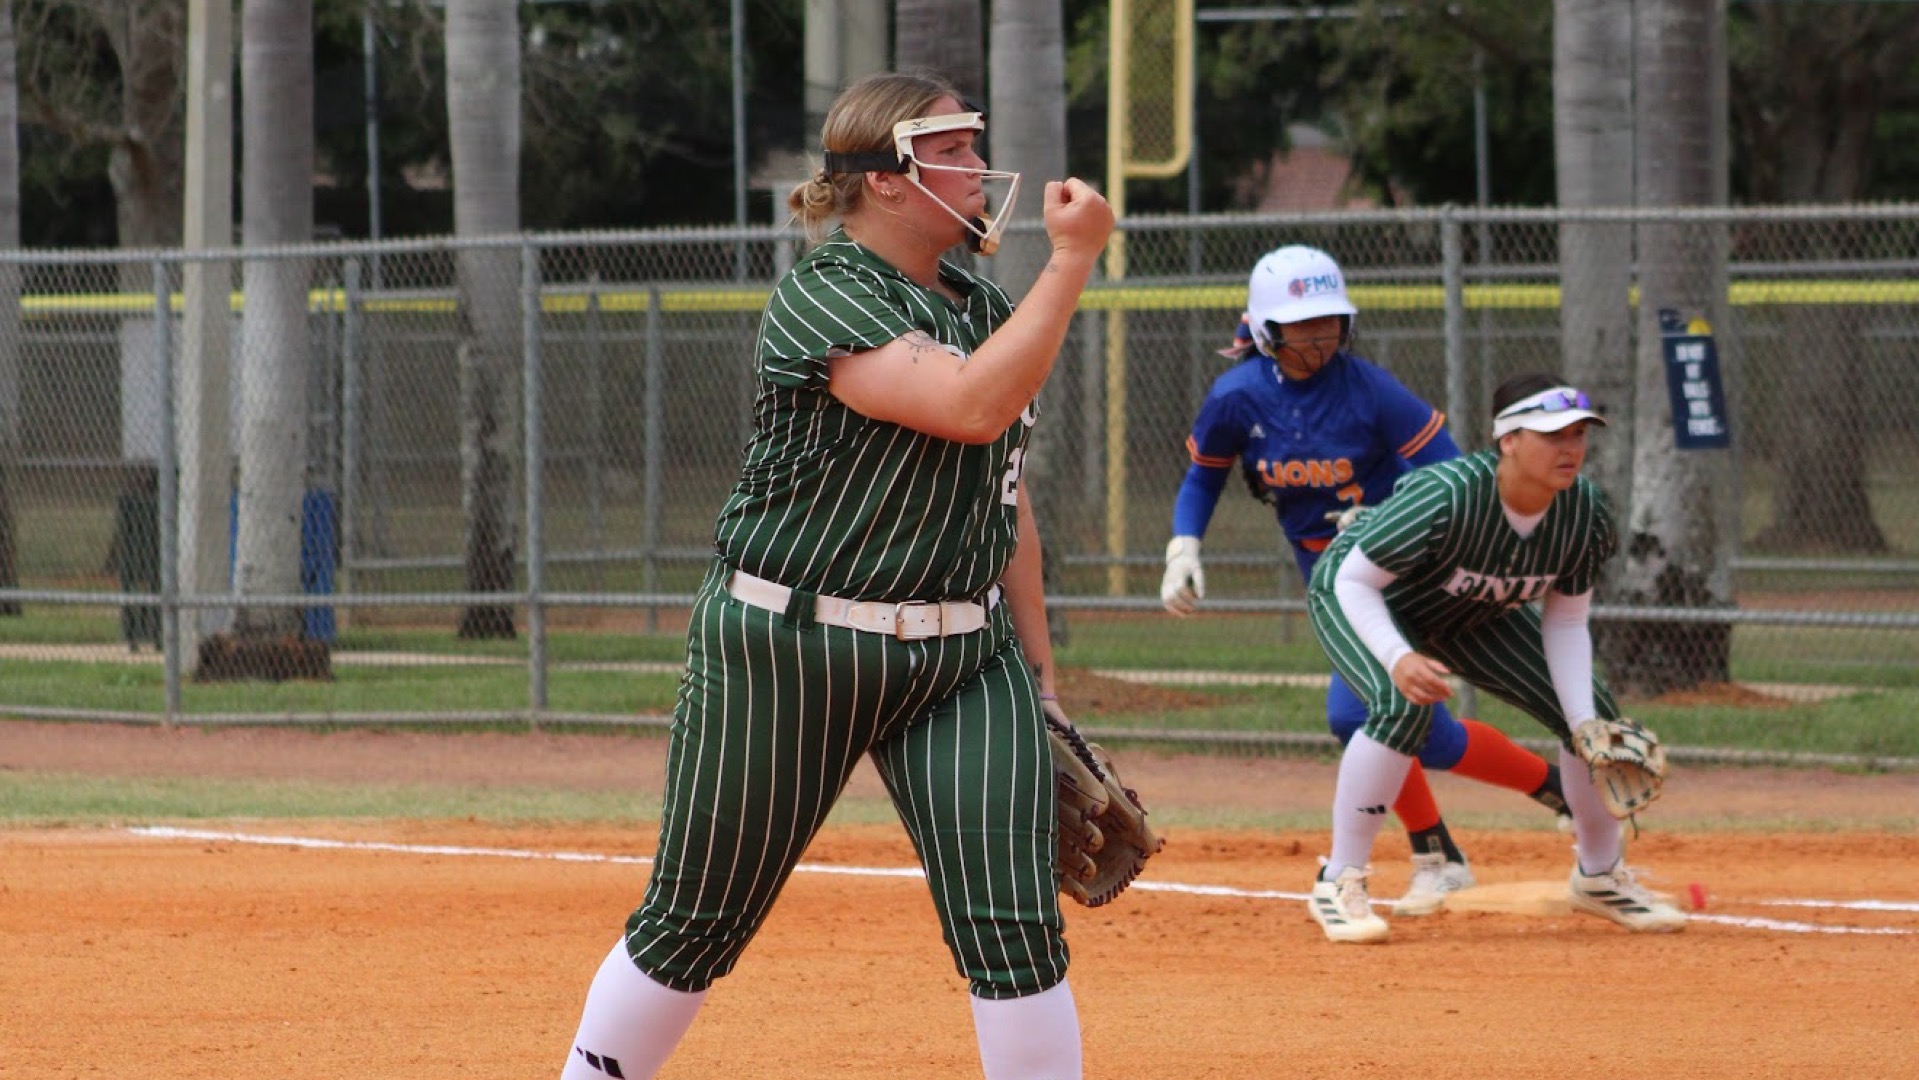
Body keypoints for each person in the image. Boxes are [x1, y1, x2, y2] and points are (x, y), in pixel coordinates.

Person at [555, 73, 1114, 1080]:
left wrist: (1037, 675)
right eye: (951, 147)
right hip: (789, 649)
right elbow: (970, 406)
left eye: (972, 143)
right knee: (694, 920)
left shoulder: (981, 303)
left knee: (1015, 928)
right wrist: (1072, 259)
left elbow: (1004, 491)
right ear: (886, 179)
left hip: (960, 660)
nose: (977, 164)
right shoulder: (825, 292)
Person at [1160, 245, 1570, 921]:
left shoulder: (1369, 390)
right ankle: (1472, 834)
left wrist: (1393, 516)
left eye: (1329, 322)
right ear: (1265, 329)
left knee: (1359, 716)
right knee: (1421, 732)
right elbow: (1204, 477)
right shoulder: (1237, 397)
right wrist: (1184, 546)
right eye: (1301, 325)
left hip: (1404, 573)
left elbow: (1450, 473)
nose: (1318, 338)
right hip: (1328, 580)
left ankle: (1447, 846)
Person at [1302, 371, 1689, 943]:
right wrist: (1397, 656)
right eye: (1552, 435)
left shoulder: (1584, 513)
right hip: (1365, 595)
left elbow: (1566, 620)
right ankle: (1338, 881)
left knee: (1594, 718)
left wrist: (1582, 721)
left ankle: (1600, 875)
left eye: (1579, 433)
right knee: (1399, 706)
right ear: (1508, 439)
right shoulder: (1449, 495)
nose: (1570, 447)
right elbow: (1355, 581)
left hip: (1473, 612)